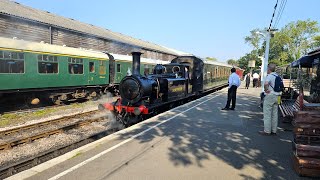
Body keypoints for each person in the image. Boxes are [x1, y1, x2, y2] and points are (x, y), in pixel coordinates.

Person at [259, 64, 281, 136]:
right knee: (275, 114)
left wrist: (266, 90)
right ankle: (274, 131)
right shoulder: (277, 76)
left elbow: (266, 84)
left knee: (267, 113)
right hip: (278, 96)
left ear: (269, 69)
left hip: (270, 96)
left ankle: (267, 131)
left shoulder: (270, 76)